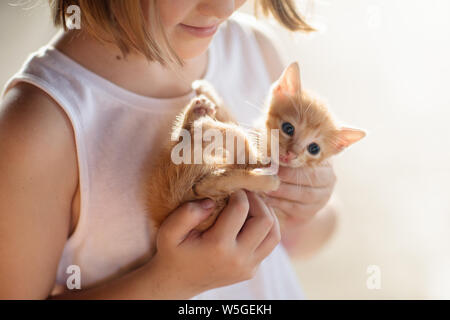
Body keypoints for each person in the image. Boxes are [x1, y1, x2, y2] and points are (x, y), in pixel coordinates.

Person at [0, 0, 337, 299]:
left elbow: (310, 240)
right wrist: (171, 283)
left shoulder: (254, 50)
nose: (223, 7)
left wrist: (305, 209)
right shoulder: (39, 127)